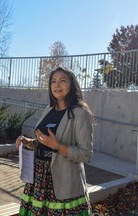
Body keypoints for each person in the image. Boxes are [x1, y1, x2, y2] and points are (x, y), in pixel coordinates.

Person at [15, 66, 94, 215]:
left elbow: (86, 154)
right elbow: (43, 141)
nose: (57, 85)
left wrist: (57, 146)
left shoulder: (80, 113)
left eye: (62, 81)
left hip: (63, 181)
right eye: (53, 81)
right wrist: (29, 142)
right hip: (38, 180)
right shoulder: (48, 110)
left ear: (72, 85)